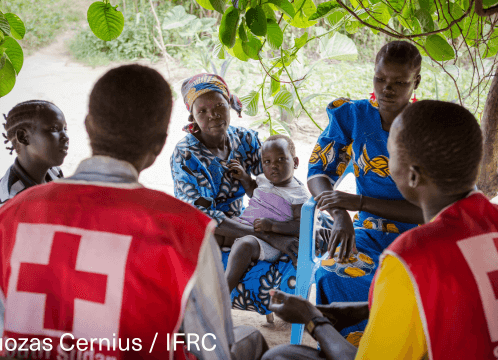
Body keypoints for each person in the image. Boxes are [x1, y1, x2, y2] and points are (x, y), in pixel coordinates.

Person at [0, 65, 268, 360]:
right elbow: (214, 352)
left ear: (88, 127)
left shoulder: (8, 218)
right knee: (252, 340)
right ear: (158, 146)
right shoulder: (185, 232)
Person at [262, 100, 498, 360]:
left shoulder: (412, 254)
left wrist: (311, 318)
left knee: (282, 357)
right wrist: (360, 310)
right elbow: (470, 304)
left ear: (411, 176)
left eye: (390, 154)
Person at [306, 41, 424, 340]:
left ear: (416, 82)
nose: (387, 89)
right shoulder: (354, 117)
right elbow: (318, 171)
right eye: (380, 79)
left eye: (400, 82)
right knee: (331, 273)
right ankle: (347, 351)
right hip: (368, 234)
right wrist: (340, 214)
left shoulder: (426, 127)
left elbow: (427, 211)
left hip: (419, 240)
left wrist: (358, 201)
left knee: (415, 289)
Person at [170, 74, 299, 316]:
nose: (213, 115)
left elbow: (274, 180)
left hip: (242, 221)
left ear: (229, 103)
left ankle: (289, 293)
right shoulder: (186, 154)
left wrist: (292, 216)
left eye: (219, 105)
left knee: (310, 227)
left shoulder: (245, 139)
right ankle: (219, 302)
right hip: (203, 230)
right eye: (203, 111)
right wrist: (268, 235)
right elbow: (203, 215)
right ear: (193, 118)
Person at [225, 135, 309, 292]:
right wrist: (244, 176)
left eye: (281, 160)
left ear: (295, 162)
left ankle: (224, 288)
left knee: (245, 245)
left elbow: (301, 225)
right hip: (244, 225)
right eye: (267, 162)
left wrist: (273, 226)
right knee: (215, 229)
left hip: (269, 242)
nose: (274, 166)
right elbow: (253, 192)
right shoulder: (263, 179)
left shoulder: (298, 194)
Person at [0, 100, 68, 217]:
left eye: (65, 129)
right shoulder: (12, 201)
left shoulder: (53, 171)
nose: (66, 137)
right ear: (23, 137)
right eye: (54, 129)